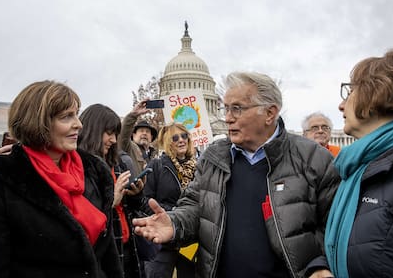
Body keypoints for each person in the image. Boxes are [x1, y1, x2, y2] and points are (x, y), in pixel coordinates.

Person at [133, 71, 340, 278]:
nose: (228, 117)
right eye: (226, 108)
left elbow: (336, 226)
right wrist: (175, 224)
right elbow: (196, 207)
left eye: (237, 109)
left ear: (270, 113)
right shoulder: (213, 158)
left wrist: (320, 264)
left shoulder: (314, 159)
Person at [0, 81, 123, 277]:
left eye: (77, 114)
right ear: (37, 122)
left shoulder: (95, 170)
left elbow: (108, 255)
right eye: (66, 117)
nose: (79, 124)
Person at [323, 47, 393, 277]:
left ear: (378, 93)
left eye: (349, 92)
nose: (341, 105)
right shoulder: (360, 166)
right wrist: (320, 266)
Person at [78, 103, 144, 278]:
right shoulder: (78, 168)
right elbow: (82, 221)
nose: (114, 140)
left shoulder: (117, 164)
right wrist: (111, 201)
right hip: (103, 255)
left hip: (126, 246)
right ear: (93, 130)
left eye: (116, 134)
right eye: (109, 133)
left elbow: (129, 208)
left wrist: (136, 195)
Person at [140, 122, 197, 278]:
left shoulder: (198, 168)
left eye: (184, 136)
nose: (181, 140)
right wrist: (171, 213)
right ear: (166, 141)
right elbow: (145, 200)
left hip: (189, 240)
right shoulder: (157, 166)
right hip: (162, 241)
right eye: (175, 137)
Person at [118, 100, 158, 175]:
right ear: (133, 135)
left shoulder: (155, 156)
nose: (144, 133)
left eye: (147, 131)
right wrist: (133, 114)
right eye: (141, 131)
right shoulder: (129, 148)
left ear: (151, 137)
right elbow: (123, 133)